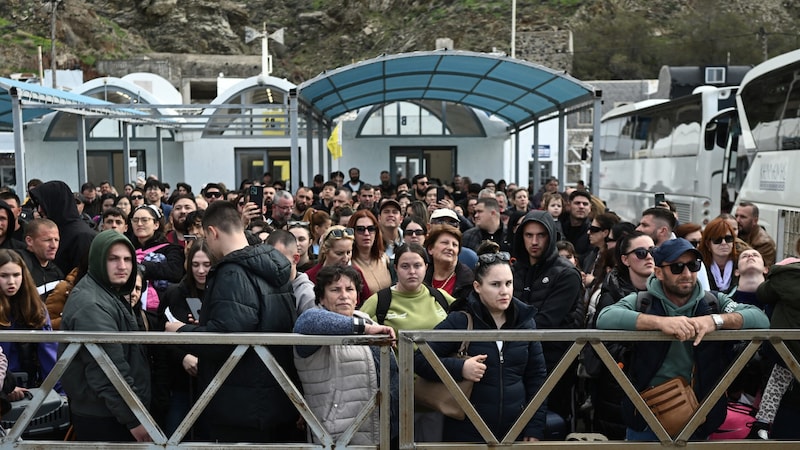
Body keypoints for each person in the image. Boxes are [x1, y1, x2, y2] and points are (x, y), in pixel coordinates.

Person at [596, 238, 769, 440]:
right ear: (659, 272)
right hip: (645, 419)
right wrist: (660, 323)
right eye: (677, 267)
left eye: (693, 265)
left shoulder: (713, 302)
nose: (687, 273)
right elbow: (605, 317)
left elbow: (760, 319)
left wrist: (715, 320)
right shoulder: (642, 301)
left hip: (700, 419)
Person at [164, 199, 301, 443]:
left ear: (212, 232)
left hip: (242, 403)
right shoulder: (270, 265)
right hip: (271, 396)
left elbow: (226, 338)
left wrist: (181, 330)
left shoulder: (232, 272)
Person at [415, 242, 547, 442]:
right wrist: (460, 367)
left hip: (516, 432)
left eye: (508, 283)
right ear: (477, 287)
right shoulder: (460, 320)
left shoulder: (526, 322)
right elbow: (419, 359)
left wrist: (534, 428)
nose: (504, 291)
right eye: (495, 284)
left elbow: (537, 378)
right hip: (466, 433)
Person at [59, 230, 151, 442]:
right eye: (113, 259)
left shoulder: (108, 292)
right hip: (106, 415)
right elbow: (107, 369)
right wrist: (135, 419)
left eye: (128, 259)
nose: (122, 266)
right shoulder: (92, 303)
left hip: (112, 411)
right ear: (98, 259)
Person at [359, 243, 456, 441]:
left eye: (417, 265)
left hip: (435, 397)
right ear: (395, 268)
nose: (412, 271)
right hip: (393, 399)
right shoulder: (379, 301)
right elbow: (355, 331)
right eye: (405, 266)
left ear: (426, 267)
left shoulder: (441, 298)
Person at [293, 265, 398, 445]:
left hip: (379, 433)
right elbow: (308, 320)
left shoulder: (366, 319)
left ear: (357, 296)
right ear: (322, 297)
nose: (344, 295)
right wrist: (366, 329)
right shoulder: (315, 322)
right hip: (335, 437)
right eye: (335, 290)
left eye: (350, 289)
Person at [511, 210, 583, 421]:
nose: (534, 241)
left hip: (553, 362)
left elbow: (547, 321)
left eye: (541, 235)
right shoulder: (515, 270)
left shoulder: (567, 273)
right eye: (528, 235)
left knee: (550, 422)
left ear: (551, 236)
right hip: (516, 359)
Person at [586, 231, 656, 439]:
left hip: (656, 387)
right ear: (625, 259)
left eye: (654, 251)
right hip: (617, 385)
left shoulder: (665, 289)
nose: (650, 257)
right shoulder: (611, 294)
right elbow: (605, 345)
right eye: (641, 253)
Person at [158, 239, 211, 436]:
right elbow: (161, 335)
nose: (201, 271)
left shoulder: (221, 293)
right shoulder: (174, 293)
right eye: (196, 265)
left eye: (206, 265)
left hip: (212, 379)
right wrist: (183, 357)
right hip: (179, 383)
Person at [0, 248, 61, 399]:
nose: (11, 281)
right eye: (4, 276)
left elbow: (49, 355)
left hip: (31, 388)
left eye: (16, 275)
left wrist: (59, 393)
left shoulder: (36, 308)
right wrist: (6, 385)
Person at [29, 180, 96, 276]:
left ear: (56, 203)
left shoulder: (82, 236)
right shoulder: (59, 229)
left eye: (44, 204)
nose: (39, 209)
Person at [130, 205, 185, 312]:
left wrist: (143, 267)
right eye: (135, 220)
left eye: (144, 220)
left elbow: (175, 272)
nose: (139, 224)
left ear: (156, 224)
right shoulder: (127, 249)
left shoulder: (171, 249)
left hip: (162, 307)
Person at [305, 225, 372, 303]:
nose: (345, 258)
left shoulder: (356, 272)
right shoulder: (309, 277)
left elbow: (368, 301)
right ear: (325, 250)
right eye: (339, 253)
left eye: (348, 252)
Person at [267, 230, 316, 315]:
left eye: (278, 259)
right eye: (268, 258)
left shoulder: (307, 295)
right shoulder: (263, 285)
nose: (272, 264)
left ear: (296, 259)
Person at [423, 224, 474, 300]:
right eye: (445, 243)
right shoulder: (421, 276)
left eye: (455, 245)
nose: (450, 248)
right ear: (430, 249)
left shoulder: (468, 282)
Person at [20, 218, 64, 304]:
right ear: (29, 241)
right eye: (47, 240)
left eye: (56, 240)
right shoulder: (18, 268)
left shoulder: (57, 273)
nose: (54, 246)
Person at [349, 209, 393, 293]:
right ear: (352, 232)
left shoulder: (384, 258)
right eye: (360, 229)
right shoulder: (348, 263)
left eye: (371, 228)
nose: (366, 233)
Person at [698, 217, 739, 294]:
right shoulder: (700, 266)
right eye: (717, 239)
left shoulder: (741, 264)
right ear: (708, 244)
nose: (724, 243)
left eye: (728, 238)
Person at [735, 202, 777, 267]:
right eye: (736, 216)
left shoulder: (765, 243)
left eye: (743, 217)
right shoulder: (738, 233)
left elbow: (757, 268)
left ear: (755, 220)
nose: (737, 220)